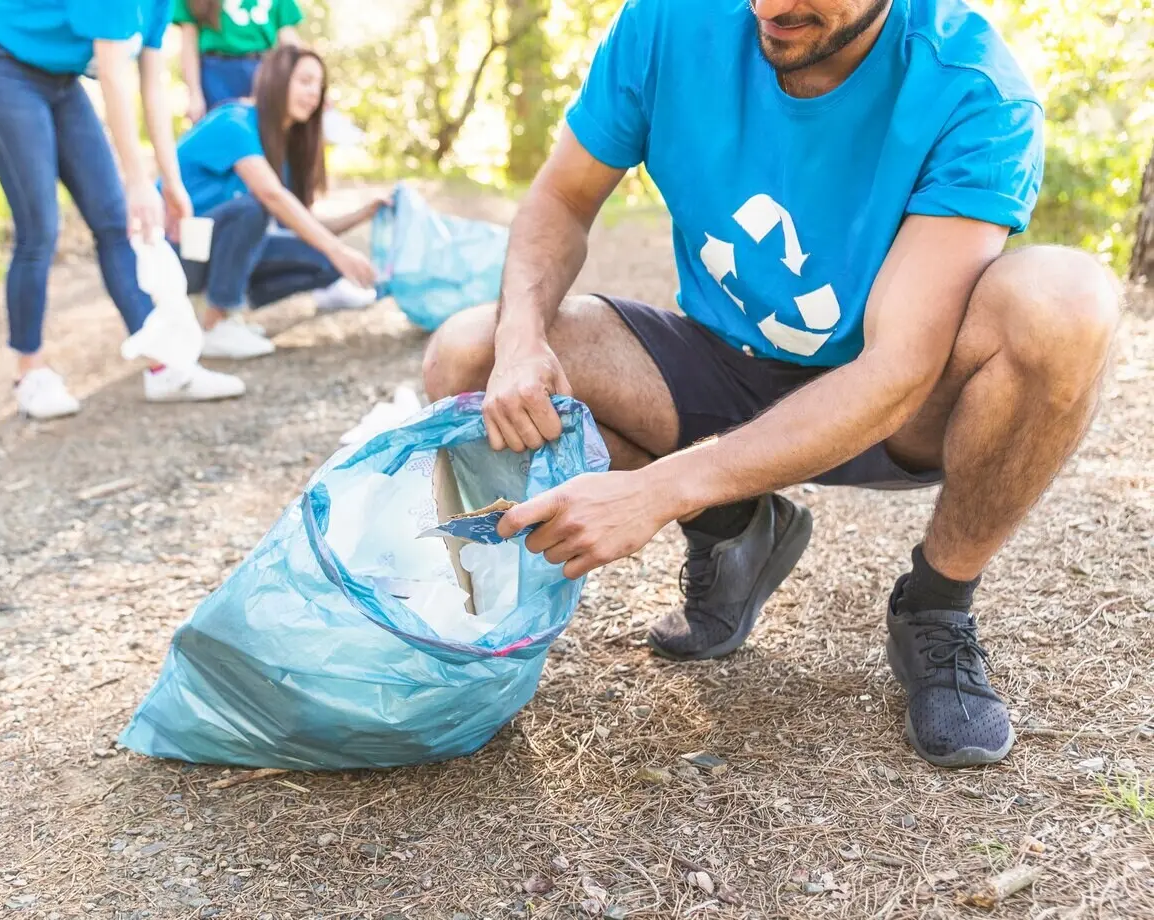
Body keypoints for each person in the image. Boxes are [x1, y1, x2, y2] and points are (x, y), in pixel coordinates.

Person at [423, 0, 1120, 768]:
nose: (770, 8)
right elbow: (562, 197)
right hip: (720, 365)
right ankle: (733, 529)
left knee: (1066, 303)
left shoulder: (975, 89)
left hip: (896, 402)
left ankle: (937, 607)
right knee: (469, 356)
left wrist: (657, 491)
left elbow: (895, 371)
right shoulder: (667, 22)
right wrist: (521, 340)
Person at [0, 0, 247, 419]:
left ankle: (165, 366)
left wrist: (171, 181)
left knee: (115, 221)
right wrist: (137, 182)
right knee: (39, 227)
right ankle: (30, 373)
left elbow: (152, 85)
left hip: (61, 79)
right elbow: (112, 76)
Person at [174, 44, 384, 361]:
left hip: (213, 250)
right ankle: (215, 323)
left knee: (325, 263)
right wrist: (339, 250)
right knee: (256, 208)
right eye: (305, 81)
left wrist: (363, 214)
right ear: (277, 79)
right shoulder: (234, 122)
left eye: (319, 86)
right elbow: (271, 197)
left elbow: (301, 223)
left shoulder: (279, 146)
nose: (314, 93)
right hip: (178, 252)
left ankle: (232, 309)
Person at [175, 0, 303, 124]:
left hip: (262, 71)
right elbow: (189, 43)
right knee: (221, 129)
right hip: (215, 74)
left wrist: (306, 75)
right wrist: (194, 93)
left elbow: (288, 37)